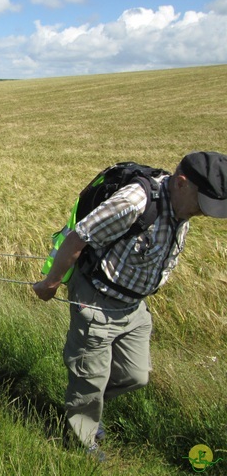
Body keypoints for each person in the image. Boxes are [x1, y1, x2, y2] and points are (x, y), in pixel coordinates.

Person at [33, 151, 227, 459]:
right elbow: (77, 237)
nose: (204, 213)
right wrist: (51, 283)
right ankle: (80, 439)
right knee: (89, 375)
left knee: (136, 376)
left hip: (134, 306)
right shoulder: (134, 202)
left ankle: (84, 405)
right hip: (96, 299)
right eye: (202, 203)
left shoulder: (182, 209)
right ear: (181, 183)